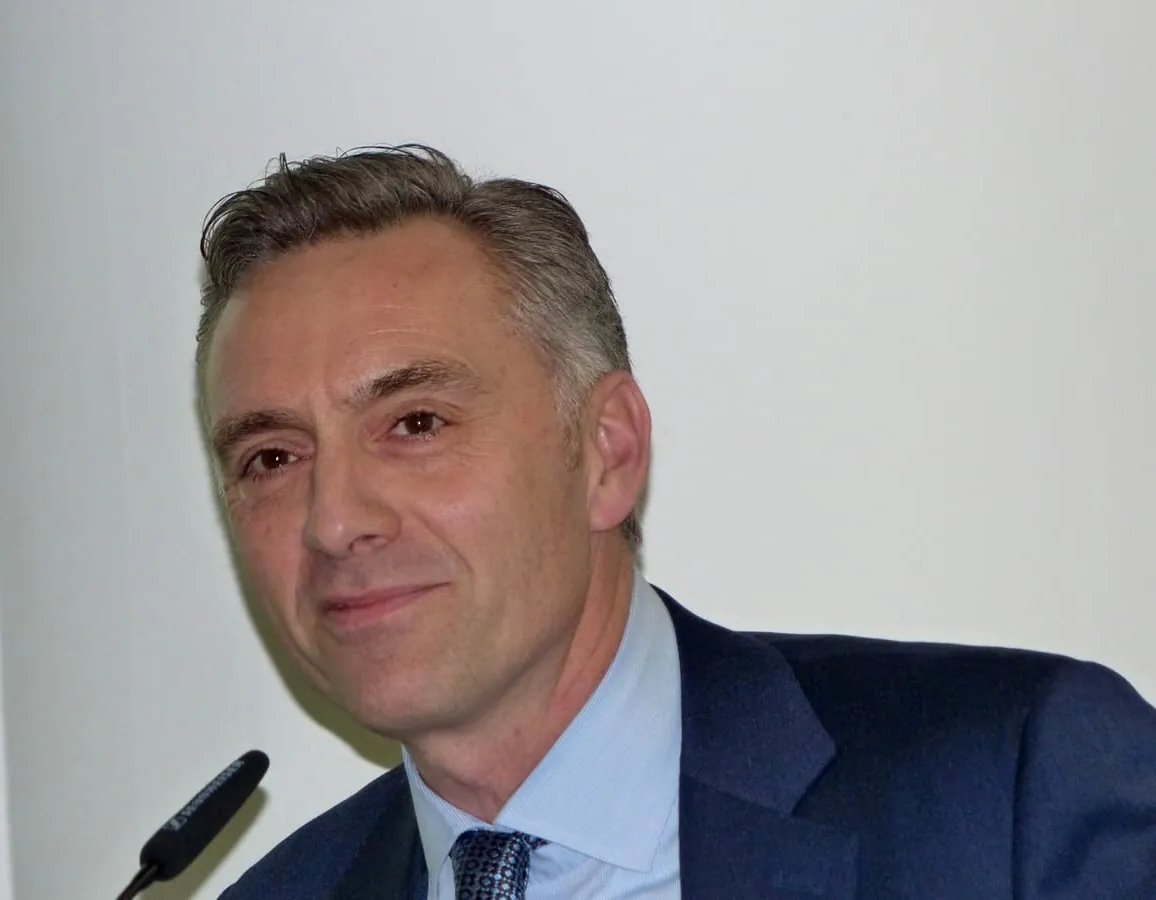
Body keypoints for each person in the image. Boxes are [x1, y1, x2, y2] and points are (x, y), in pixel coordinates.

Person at [197, 145, 1156, 899]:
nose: (334, 522)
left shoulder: (1010, 793)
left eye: (416, 424)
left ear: (607, 452)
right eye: (271, 459)